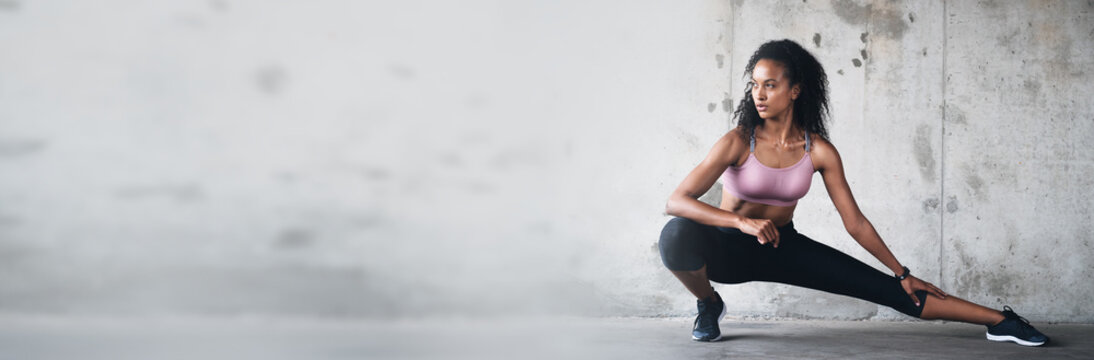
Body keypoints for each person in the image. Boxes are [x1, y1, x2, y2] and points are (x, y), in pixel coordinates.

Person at [658, 39, 1048, 346]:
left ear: (795, 91)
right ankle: (709, 303)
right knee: (675, 234)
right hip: (729, 249)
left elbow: (855, 222)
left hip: (783, 248)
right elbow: (676, 201)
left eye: (770, 85)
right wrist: (741, 222)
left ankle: (1001, 321)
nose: (759, 94)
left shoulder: (819, 151)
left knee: (895, 292)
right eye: (755, 85)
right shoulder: (738, 141)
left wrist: (903, 273)